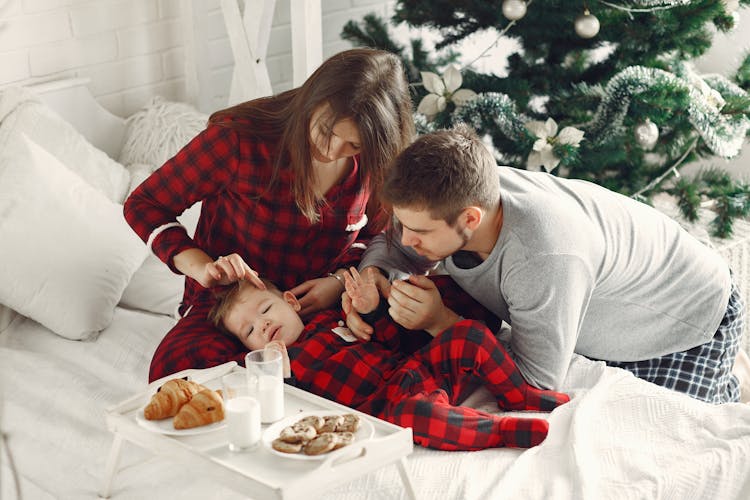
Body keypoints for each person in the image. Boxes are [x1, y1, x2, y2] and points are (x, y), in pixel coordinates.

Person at [345, 124, 744, 405]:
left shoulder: (544, 256)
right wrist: (375, 271)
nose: (407, 239)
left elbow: (537, 383)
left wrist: (439, 322)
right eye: (404, 223)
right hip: (627, 278)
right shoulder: (459, 193)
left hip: (691, 317)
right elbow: (394, 242)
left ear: (470, 219)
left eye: (420, 232)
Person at [123, 49, 415, 382]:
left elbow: (375, 237)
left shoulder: (375, 165)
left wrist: (337, 284)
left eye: (353, 145)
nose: (331, 151)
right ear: (311, 99)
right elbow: (144, 204)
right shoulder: (239, 141)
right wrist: (201, 266)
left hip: (321, 308)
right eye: (326, 131)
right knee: (176, 373)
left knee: (389, 346)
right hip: (229, 305)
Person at [197, 270, 569, 451]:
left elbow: (391, 342)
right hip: (388, 404)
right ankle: (498, 430)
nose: (262, 326)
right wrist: (280, 378)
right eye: (249, 331)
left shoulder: (332, 319)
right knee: (418, 419)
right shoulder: (279, 368)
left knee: (468, 334)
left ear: (291, 303)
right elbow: (296, 417)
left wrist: (372, 311)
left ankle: (517, 394)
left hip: (417, 368)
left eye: (265, 310)